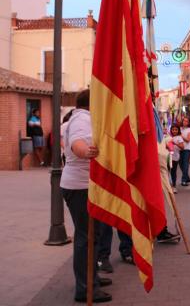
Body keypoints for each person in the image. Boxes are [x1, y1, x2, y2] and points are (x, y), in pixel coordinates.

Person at [60, 90, 112, 303]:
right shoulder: (81, 119)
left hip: (85, 186)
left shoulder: (82, 118)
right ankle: (85, 288)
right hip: (81, 187)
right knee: (86, 237)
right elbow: (77, 142)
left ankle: (91, 278)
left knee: (93, 235)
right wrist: (86, 152)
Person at [179, 117, 190, 186]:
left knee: (185, 164)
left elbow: (188, 140)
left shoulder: (189, 130)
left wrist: (181, 136)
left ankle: (183, 180)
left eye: (187, 121)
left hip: (187, 149)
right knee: (180, 164)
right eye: (184, 121)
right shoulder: (180, 128)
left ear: (188, 122)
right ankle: (187, 177)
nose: (185, 122)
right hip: (179, 148)